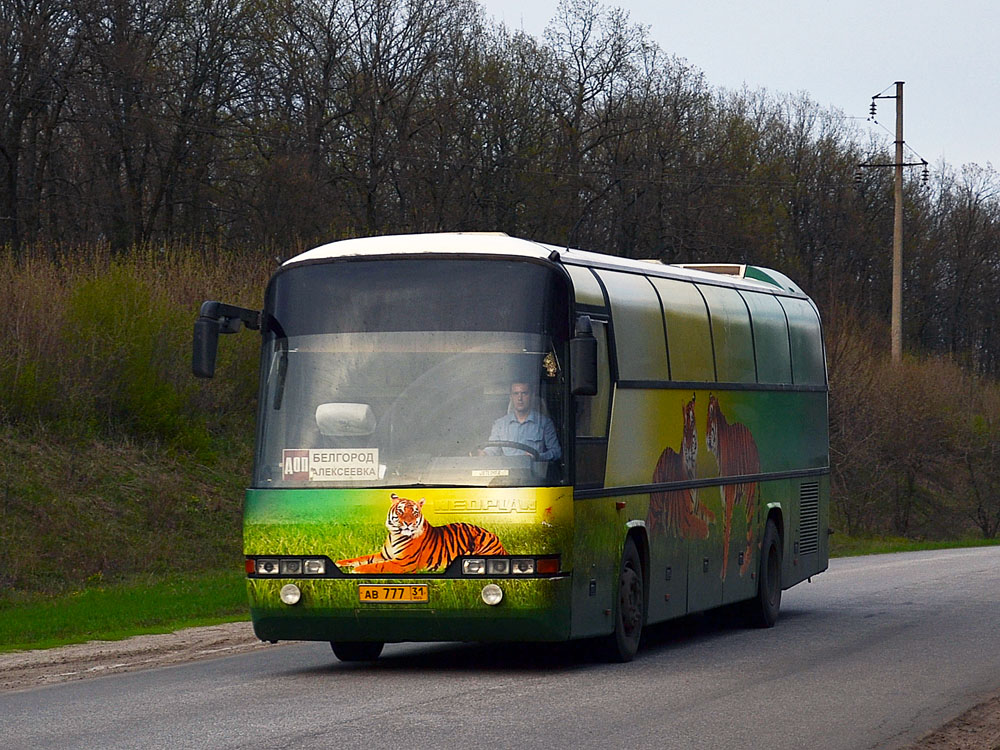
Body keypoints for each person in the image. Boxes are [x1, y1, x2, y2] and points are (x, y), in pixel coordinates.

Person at [482, 381, 561, 461]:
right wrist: (484, 454)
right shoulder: (499, 425)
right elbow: (492, 450)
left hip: (534, 472)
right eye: (516, 394)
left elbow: (556, 452)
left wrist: (538, 456)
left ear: (532, 396)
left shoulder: (544, 423)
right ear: (511, 397)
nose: (520, 398)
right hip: (508, 471)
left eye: (524, 393)